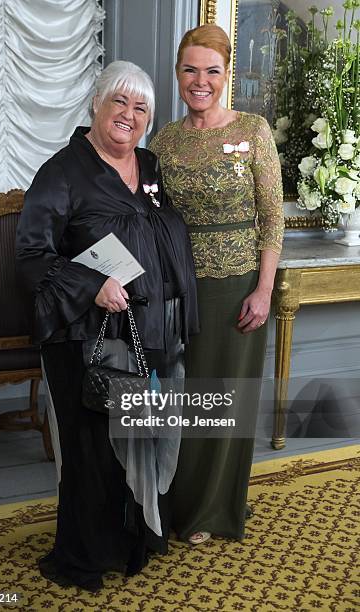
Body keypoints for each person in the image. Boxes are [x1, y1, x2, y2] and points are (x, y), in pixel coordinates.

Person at [15, 60, 198, 591]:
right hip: (84, 335)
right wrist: (89, 285)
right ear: (96, 104)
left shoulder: (150, 164)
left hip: (146, 331)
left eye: (140, 107)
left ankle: (131, 536)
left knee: (140, 437)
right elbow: (30, 257)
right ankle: (86, 552)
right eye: (119, 102)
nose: (129, 115)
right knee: (93, 446)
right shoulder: (61, 171)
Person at [149, 24, 284, 545]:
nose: (199, 81)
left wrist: (264, 289)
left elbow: (272, 218)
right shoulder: (164, 138)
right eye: (190, 70)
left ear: (227, 75)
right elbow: (149, 214)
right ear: (178, 74)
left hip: (238, 288)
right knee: (182, 401)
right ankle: (174, 501)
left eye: (211, 71)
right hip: (177, 287)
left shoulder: (253, 130)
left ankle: (212, 509)